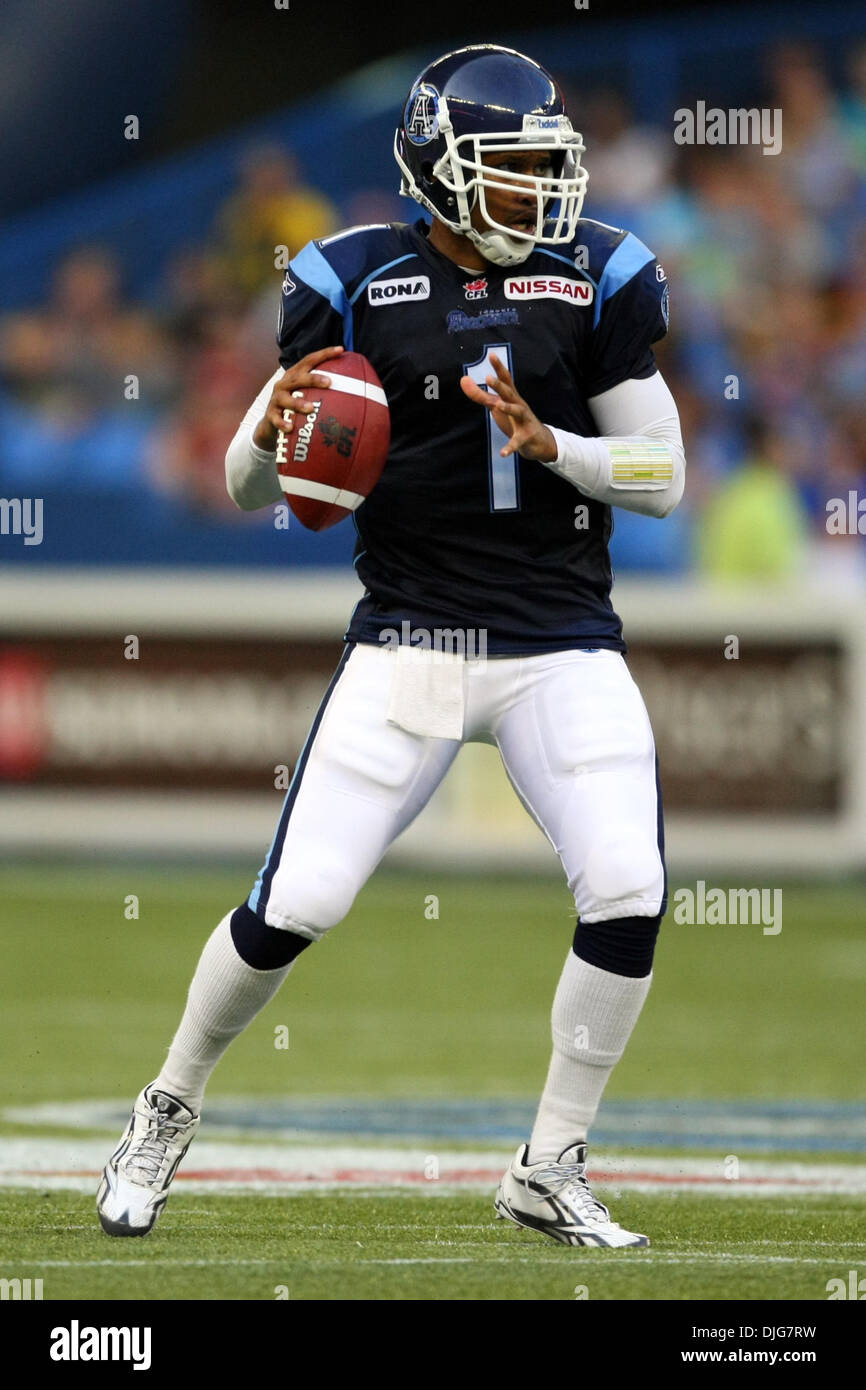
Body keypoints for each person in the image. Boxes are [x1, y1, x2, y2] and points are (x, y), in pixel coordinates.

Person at [97, 43, 685, 1250]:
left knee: (628, 883)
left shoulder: (598, 275)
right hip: (411, 639)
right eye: (510, 171)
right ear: (436, 170)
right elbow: (242, 473)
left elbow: (665, 474)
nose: (539, 196)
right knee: (295, 899)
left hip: (558, 638)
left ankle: (549, 1162)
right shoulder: (350, 278)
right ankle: (166, 1105)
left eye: (542, 171)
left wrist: (555, 451)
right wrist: (285, 431)